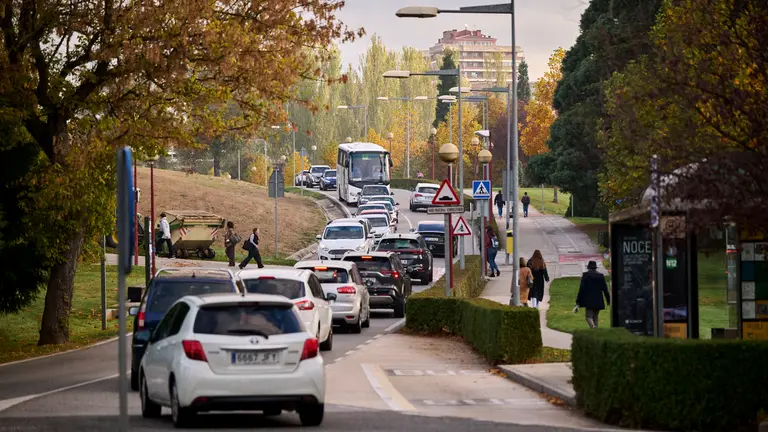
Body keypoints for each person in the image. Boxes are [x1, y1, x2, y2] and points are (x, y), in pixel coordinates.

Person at [575, 261, 611, 328]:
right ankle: (596, 332)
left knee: (588, 317)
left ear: (588, 268)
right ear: (595, 268)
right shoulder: (601, 276)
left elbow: (581, 289)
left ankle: (593, 327)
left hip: (589, 300)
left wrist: (578, 301)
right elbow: (605, 289)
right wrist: (608, 300)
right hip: (599, 300)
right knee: (595, 317)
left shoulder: (586, 275)